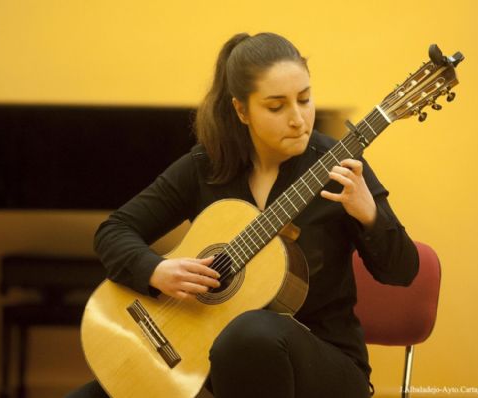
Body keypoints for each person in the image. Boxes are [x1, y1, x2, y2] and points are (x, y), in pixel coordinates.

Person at [68, 32, 418, 398]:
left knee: (251, 333)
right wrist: (154, 270)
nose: (298, 119)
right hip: (209, 367)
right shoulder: (206, 166)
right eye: (276, 106)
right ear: (241, 110)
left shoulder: (342, 167)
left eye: (305, 99)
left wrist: (369, 215)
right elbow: (114, 230)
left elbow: (403, 271)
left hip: (323, 368)